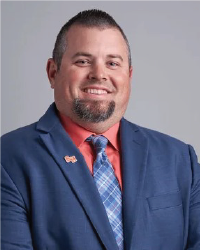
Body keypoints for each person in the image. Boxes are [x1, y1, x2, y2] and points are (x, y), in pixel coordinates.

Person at [1, 9, 200, 250]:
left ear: (129, 76)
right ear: (53, 73)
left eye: (112, 63)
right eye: (83, 61)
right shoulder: (8, 159)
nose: (99, 74)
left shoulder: (179, 159)